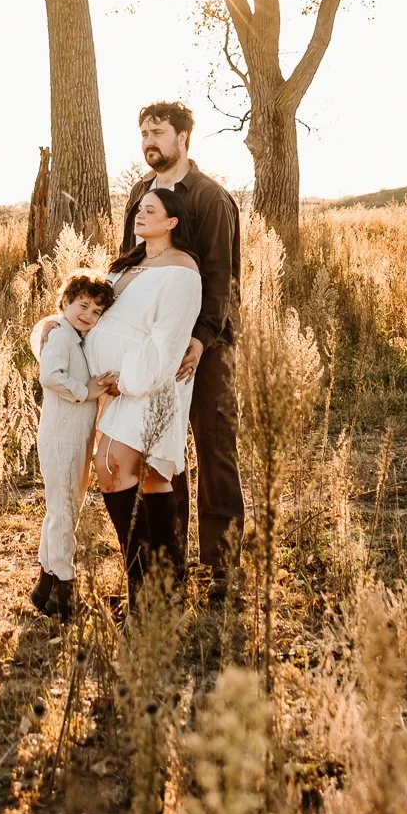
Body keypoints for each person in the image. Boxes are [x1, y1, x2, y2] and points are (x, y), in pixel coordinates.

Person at [116, 102, 243, 600]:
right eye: (144, 131)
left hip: (205, 346)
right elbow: (134, 261)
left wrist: (200, 338)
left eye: (159, 131)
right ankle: (170, 568)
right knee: (161, 454)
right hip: (154, 345)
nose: (150, 140)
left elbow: (221, 278)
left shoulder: (211, 198)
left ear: (184, 136)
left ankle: (224, 569)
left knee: (213, 449)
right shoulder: (138, 194)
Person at [85, 185, 202, 600]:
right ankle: (159, 586)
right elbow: (91, 310)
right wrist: (52, 329)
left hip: (146, 387)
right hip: (115, 389)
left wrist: (127, 380)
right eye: (139, 208)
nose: (140, 213)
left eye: (150, 210)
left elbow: (167, 342)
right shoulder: (128, 265)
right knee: (151, 478)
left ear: (172, 222)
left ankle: (146, 584)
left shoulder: (182, 271)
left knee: (112, 466)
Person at [28, 271, 118, 621]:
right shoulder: (61, 336)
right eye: (82, 306)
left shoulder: (79, 340)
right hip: (61, 439)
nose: (88, 315)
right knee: (64, 512)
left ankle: (44, 588)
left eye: (96, 311)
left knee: (63, 510)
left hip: (77, 439)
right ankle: (65, 590)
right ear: (64, 303)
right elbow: (50, 376)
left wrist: (99, 385)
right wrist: (86, 391)